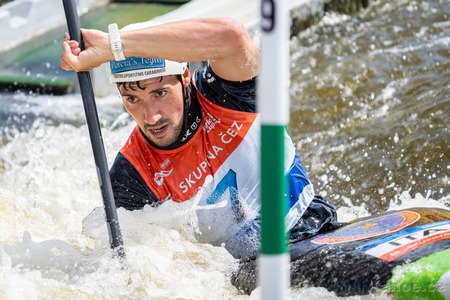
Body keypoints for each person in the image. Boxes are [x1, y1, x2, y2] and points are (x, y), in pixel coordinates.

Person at [60, 17, 338, 260]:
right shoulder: (131, 175)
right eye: (132, 99)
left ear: (184, 76)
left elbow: (231, 36)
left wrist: (113, 45)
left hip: (310, 225)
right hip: (246, 271)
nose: (150, 117)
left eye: (160, 93)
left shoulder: (229, 92)